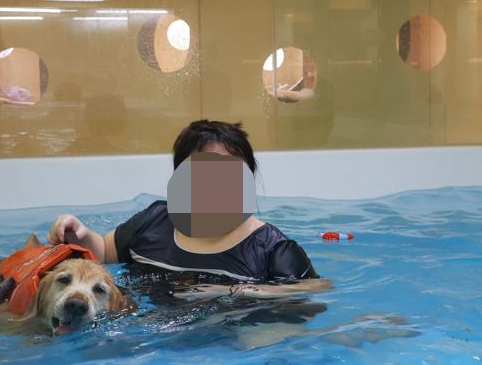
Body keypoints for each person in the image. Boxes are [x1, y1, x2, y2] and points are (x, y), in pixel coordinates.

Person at [48, 120, 329, 298]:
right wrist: (80, 234)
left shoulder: (271, 249)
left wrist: (235, 291)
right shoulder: (154, 220)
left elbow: (316, 288)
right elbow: (104, 252)